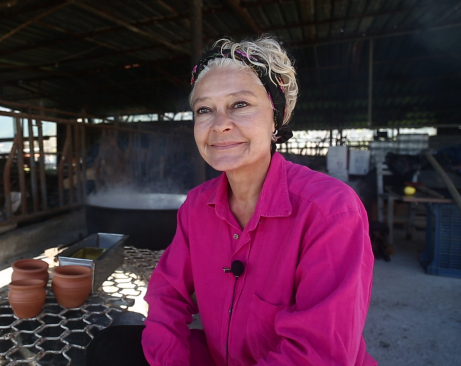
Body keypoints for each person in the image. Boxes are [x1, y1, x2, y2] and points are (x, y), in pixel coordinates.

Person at [86, 35, 376, 366]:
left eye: (240, 104)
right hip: (218, 357)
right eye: (204, 110)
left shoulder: (331, 210)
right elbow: (168, 294)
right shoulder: (197, 205)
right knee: (112, 347)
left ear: (275, 118)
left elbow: (318, 353)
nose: (220, 125)